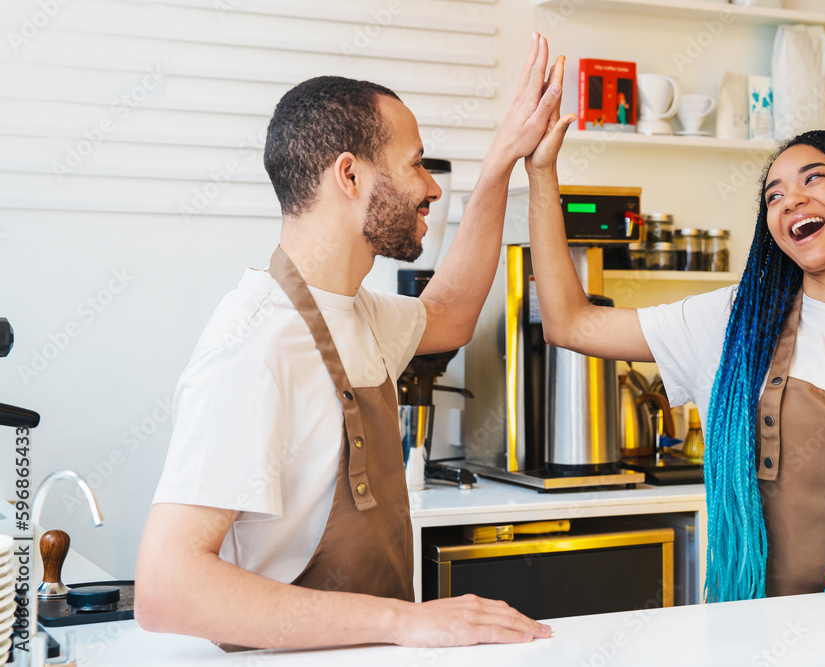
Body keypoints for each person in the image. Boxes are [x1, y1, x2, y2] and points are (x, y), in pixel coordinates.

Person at [135, 34, 566, 650]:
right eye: (417, 163)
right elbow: (167, 587)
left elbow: (448, 314)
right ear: (349, 174)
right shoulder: (251, 343)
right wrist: (406, 620)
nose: (432, 188)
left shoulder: (359, 313)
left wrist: (499, 165)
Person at [524, 121, 825, 603]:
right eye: (774, 196)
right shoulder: (732, 321)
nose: (790, 200)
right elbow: (568, 322)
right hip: (749, 631)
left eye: (812, 179)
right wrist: (542, 174)